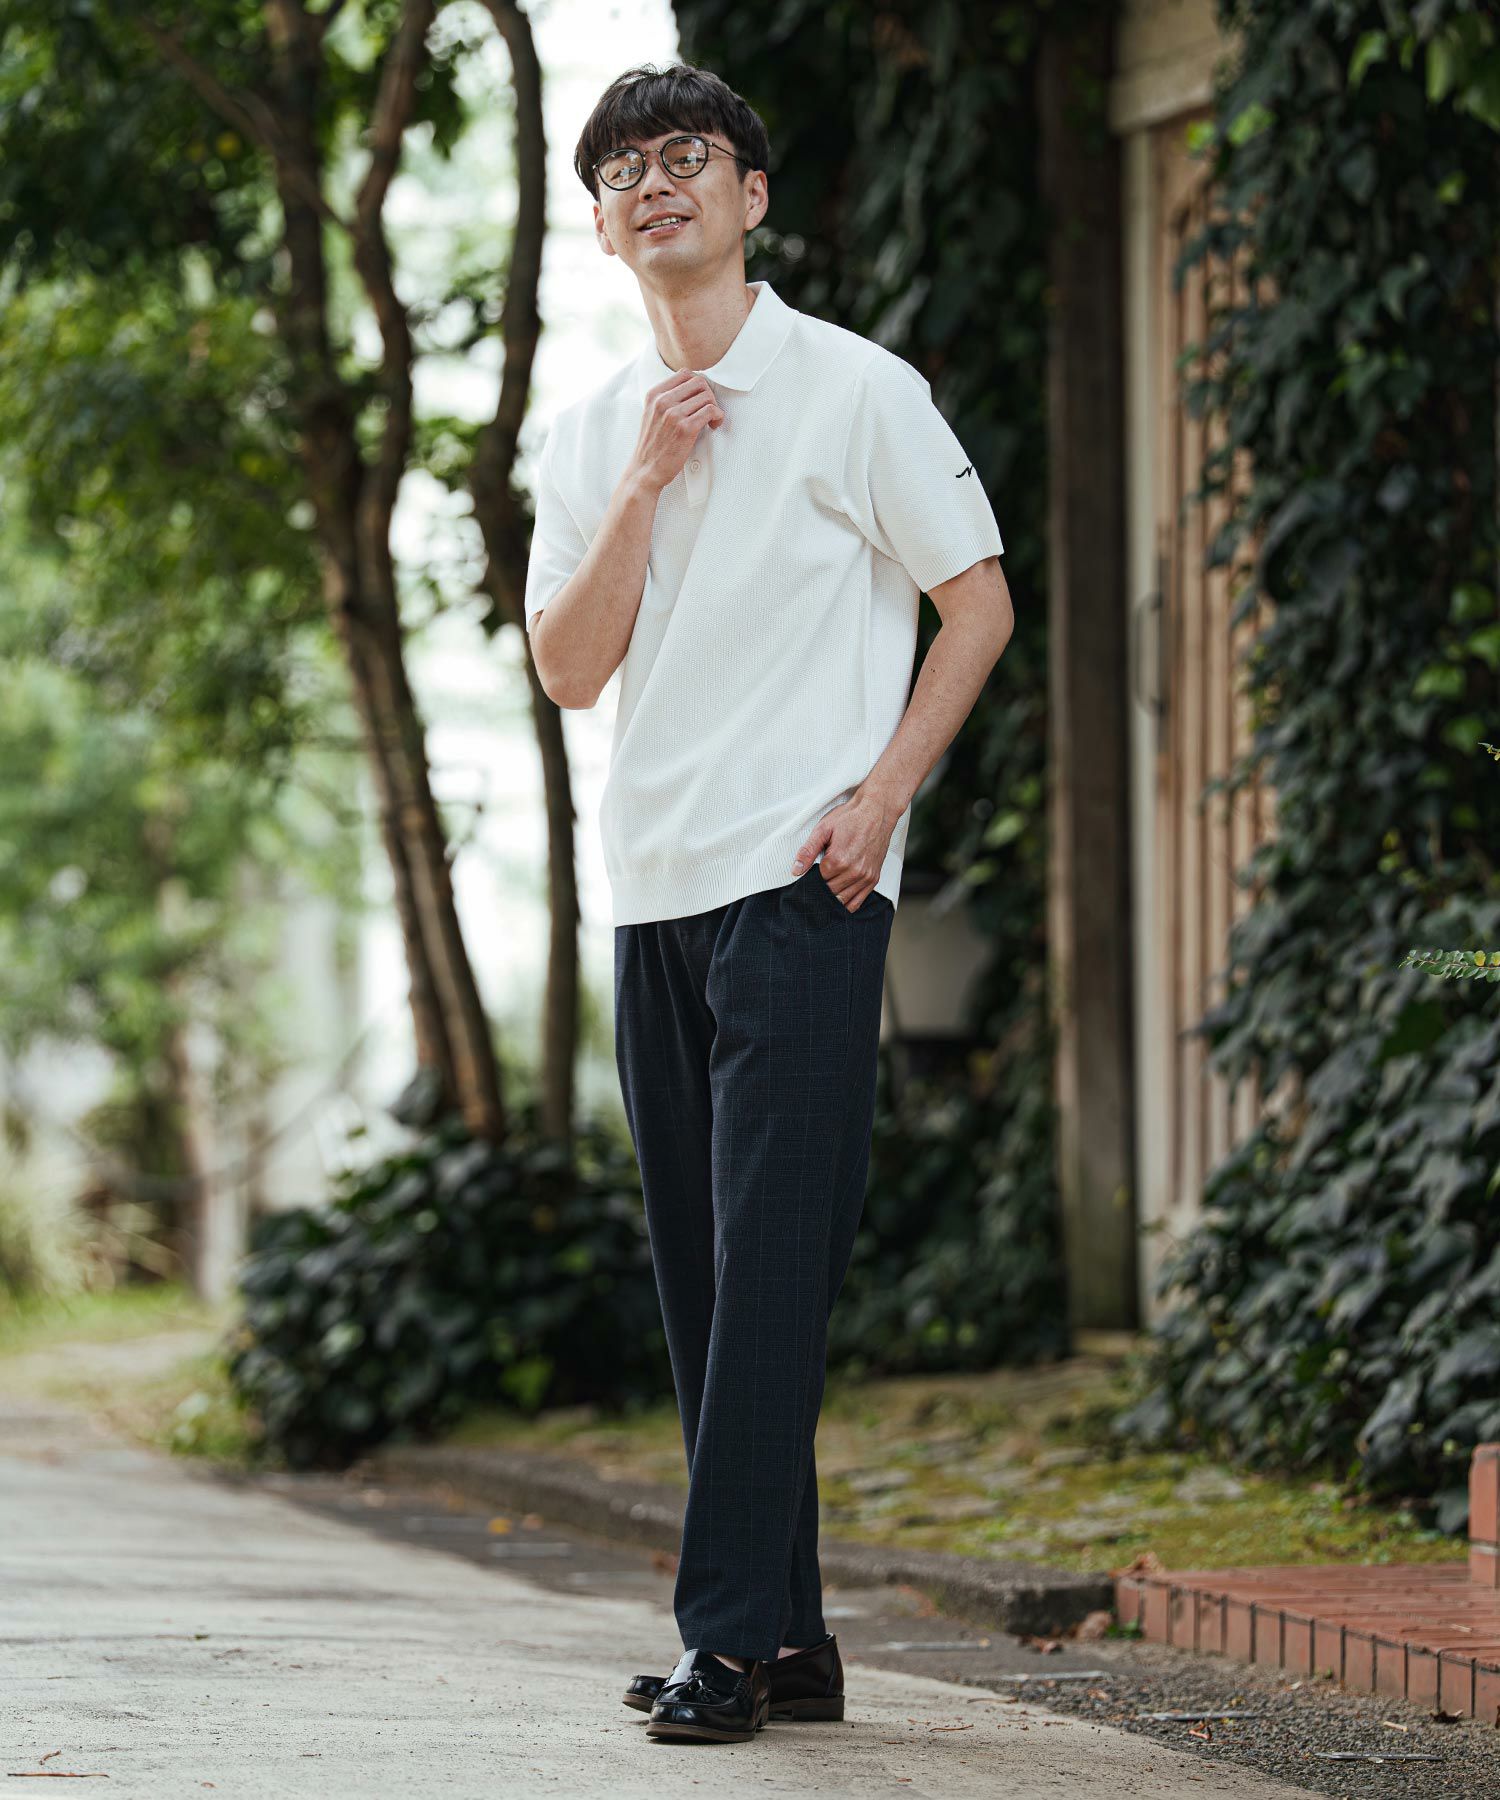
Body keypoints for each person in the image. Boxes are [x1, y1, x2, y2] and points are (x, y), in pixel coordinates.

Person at [522, 62, 1012, 1745]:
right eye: (622, 169)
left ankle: (723, 1642)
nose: (654, 182)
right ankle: (793, 1639)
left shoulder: (857, 388)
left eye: (688, 155)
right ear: (602, 228)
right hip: (654, 889)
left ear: (749, 196)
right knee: (706, 1282)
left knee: (773, 1267)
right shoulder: (590, 432)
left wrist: (882, 799)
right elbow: (569, 668)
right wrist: (647, 480)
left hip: (805, 886)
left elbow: (977, 603)